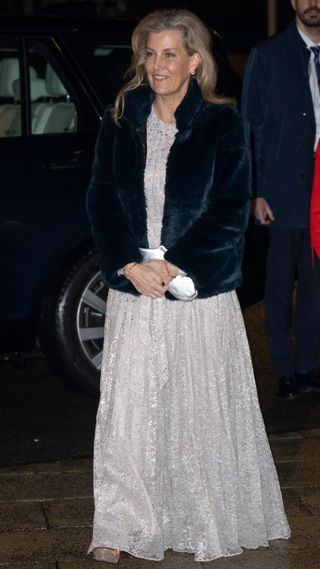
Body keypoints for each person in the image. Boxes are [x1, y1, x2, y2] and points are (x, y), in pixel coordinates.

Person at [86, 8, 290, 564]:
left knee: (197, 409)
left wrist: (172, 268)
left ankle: (201, 516)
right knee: (129, 411)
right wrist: (128, 265)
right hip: (135, 288)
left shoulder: (225, 125)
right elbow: (101, 200)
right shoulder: (121, 117)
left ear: (194, 61)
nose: (157, 65)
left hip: (194, 290)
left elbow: (229, 212)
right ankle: (120, 524)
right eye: (149, 53)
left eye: (170, 53)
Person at [242, 0, 320, 400]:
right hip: (282, 192)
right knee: (277, 288)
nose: (313, 3)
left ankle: (309, 365)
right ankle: (285, 370)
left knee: (314, 286)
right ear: (293, 2)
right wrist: (255, 191)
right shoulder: (268, 56)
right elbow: (250, 127)